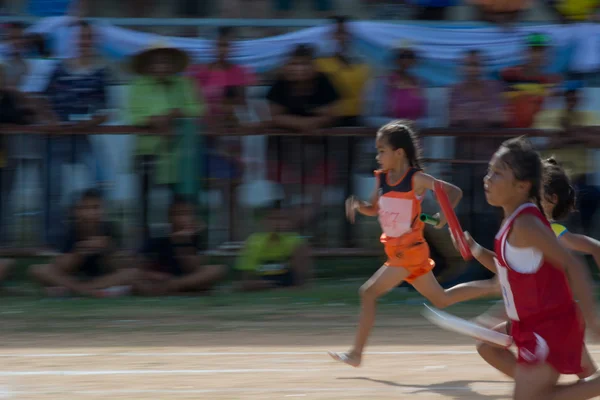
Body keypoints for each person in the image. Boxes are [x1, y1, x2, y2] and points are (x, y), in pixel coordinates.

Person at [328, 120, 497, 368]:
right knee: (441, 299)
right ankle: (494, 286)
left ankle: (356, 354)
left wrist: (441, 215)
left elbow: (453, 192)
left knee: (368, 292)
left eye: (382, 150)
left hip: (409, 253)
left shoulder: (416, 179)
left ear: (399, 152)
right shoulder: (382, 179)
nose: (377, 156)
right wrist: (357, 204)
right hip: (398, 252)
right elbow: (374, 209)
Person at [459, 137, 600, 399]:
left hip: (548, 326)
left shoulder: (526, 224)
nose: (487, 178)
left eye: (498, 173)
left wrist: (593, 322)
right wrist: (476, 250)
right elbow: (509, 272)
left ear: (522, 185)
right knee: (487, 345)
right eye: (490, 170)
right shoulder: (512, 222)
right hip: (527, 323)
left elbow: (574, 265)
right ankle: (541, 386)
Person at [29, 189, 138, 297]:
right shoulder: (70, 231)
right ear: (76, 211)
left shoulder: (110, 229)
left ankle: (80, 290)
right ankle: (86, 290)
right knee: (38, 270)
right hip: (74, 279)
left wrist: (107, 248)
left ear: (102, 210)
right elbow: (59, 267)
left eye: (95, 207)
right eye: (86, 208)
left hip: (103, 279)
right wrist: (79, 253)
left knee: (133, 273)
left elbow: (120, 266)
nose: (91, 213)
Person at [135, 196, 227, 296]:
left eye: (188, 214)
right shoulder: (159, 237)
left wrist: (183, 241)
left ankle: (173, 289)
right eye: (180, 214)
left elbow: (193, 269)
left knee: (218, 269)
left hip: (184, 280)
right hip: (162, 280)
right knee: (135, 278)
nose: (184, 218)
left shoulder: (194, 238)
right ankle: (179, 291)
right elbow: (140, 267)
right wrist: (153, 275)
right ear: (170, 218)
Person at [235, 202, 312, 291]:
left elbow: (302, 282)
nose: (277, 223)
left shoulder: (296, 241)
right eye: (273, 219)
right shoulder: (253, 241)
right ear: (264, 221)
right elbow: (246, 280)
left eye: (282, 219)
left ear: (290, 222)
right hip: (262, 286)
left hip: (287, 286)